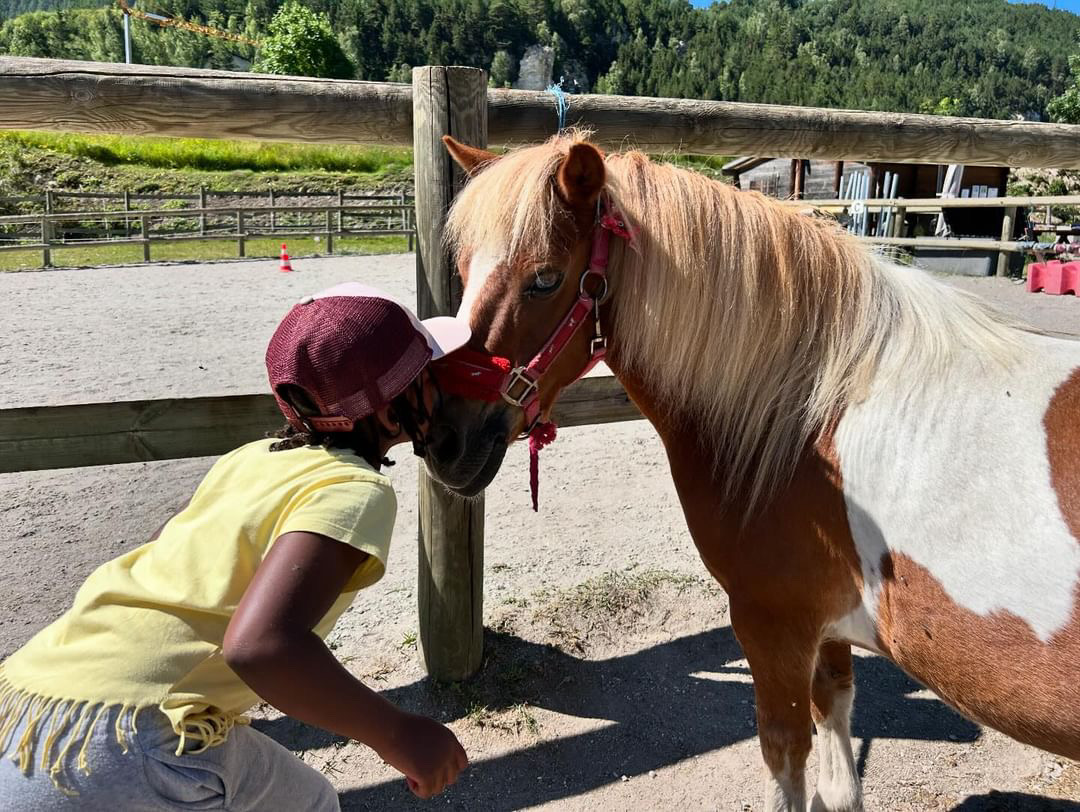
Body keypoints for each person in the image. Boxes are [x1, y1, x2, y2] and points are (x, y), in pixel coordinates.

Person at [0, 283, 471, 810]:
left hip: (29, 699)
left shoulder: (253, 457)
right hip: (132, 736)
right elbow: (262, 645)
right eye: (426, 376)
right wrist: (398, 734)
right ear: (387, 412)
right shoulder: (354, 490)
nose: (439, 387)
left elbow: (165, 551)